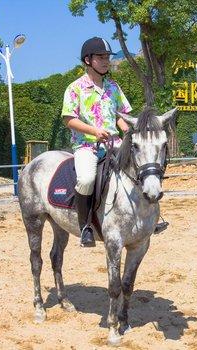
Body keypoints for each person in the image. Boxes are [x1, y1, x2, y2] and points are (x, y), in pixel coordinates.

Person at [62, 37, 167, 248]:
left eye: (107, 58)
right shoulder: (75, 88)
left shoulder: (113, 86)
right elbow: (68, 119)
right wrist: (94, 131)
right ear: (88, 60)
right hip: (87, 146)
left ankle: (150, 220)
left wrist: (129, 130)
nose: (106, 61)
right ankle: (86, 227)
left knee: (141, 168)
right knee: (86, 179)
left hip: (116, 143)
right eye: (101, 57)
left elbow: (122, 116)